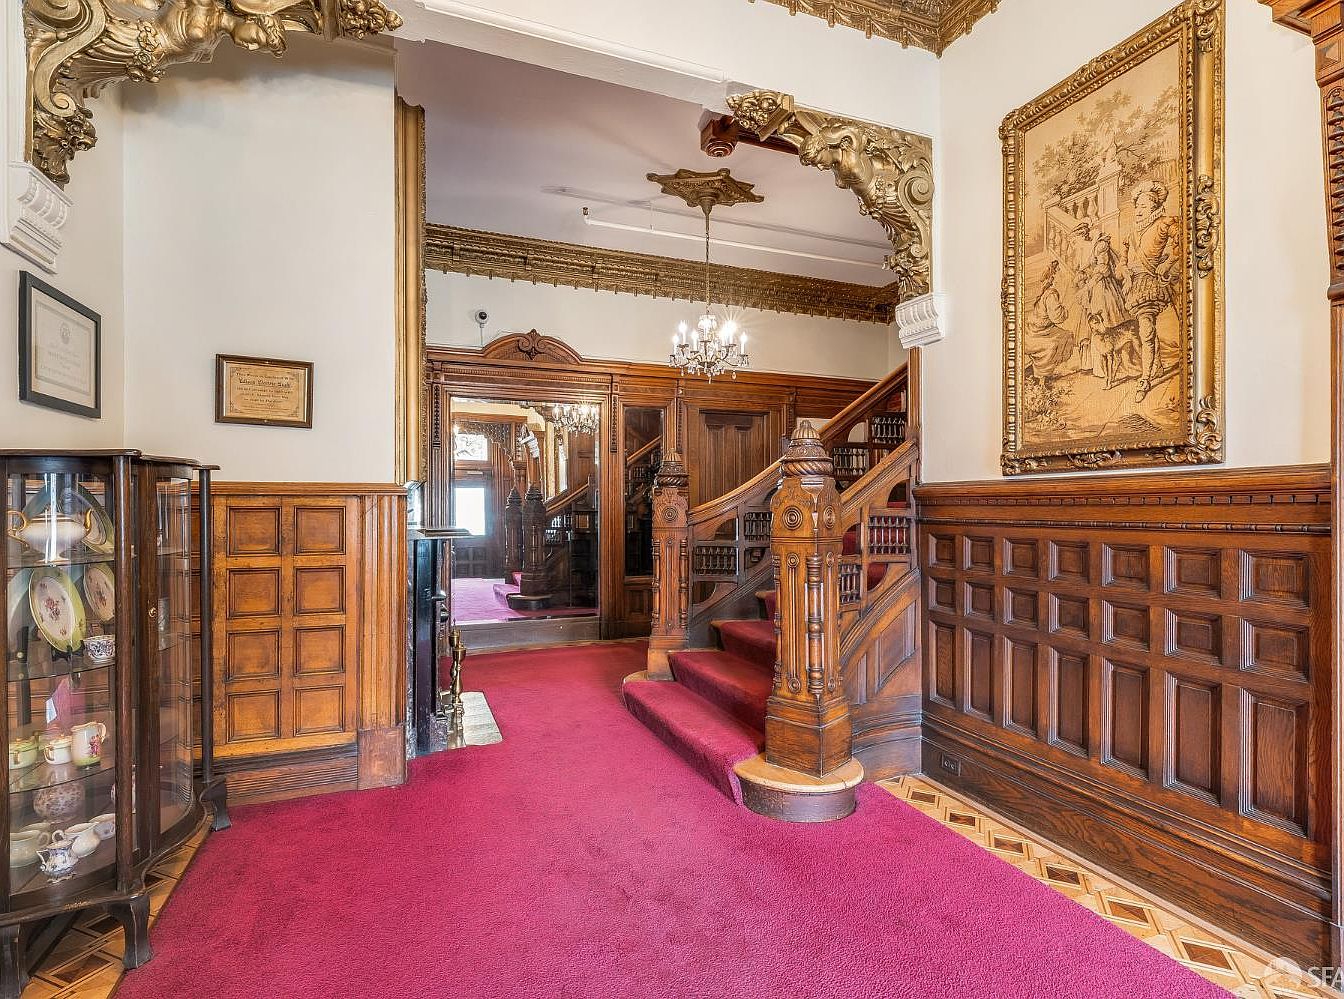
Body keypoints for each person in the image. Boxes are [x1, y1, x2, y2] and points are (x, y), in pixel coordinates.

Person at [1124, 181, 1182, 402]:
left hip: (1152, 282)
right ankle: (1155, 367)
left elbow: (1182, 242)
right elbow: (1122, 260)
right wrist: (1124, 270)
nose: (1139, 210)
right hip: (1135, 285)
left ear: (1155, 206)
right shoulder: (1132, 232)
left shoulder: (1164, 223)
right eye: (1137, 206)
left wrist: (1167, 264)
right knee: (1145, 330)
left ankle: (1145, 379)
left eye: (1144, 206)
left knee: (1146, 331)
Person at [1024, 260, 1074, 380]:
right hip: (1040, 332)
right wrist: (1065, 309)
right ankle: (1043, 374)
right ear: (1054, 277)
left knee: (1064, 335)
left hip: (1037, 329)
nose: (1062, 276)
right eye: (1059, 273)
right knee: (1066, 337)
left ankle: (1048, 370)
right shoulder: (1051, 295)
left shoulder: (1046, 291)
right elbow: (1057, 317)